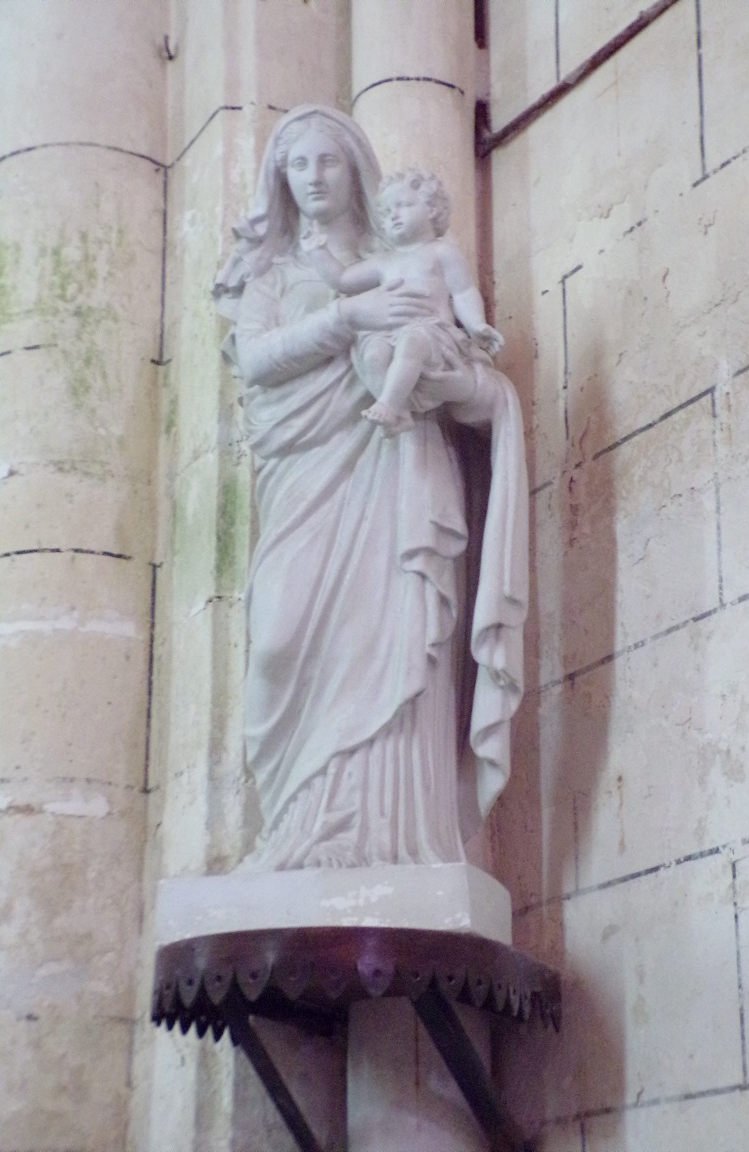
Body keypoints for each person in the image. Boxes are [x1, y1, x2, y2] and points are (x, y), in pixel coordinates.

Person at [213, 106, 527, 871]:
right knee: (280, 642)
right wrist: (351, 317)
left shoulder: (413, 256)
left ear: (355, 168)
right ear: (281, 182)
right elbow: (255, 361)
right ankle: (294, 828)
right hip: (304, 475)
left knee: (398, 636)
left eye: (328, 162)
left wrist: (466, 381)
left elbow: (464, 368)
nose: (314, 178)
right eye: (299, 166)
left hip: (400, 470)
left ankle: (394, 839)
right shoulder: (275, 274)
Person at [301, 168, 504, 437]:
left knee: (413, 342)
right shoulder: (385, 261)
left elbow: (464, 292)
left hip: (432, 332)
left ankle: (388, 404)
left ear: (431, 209)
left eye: (403, 205)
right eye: (385, 213)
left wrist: (477, 325)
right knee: (373, 355)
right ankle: (399, 413)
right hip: (389, 330)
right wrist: (317, 251)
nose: (393, 215)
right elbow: (343, 279)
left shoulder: (442, 251)